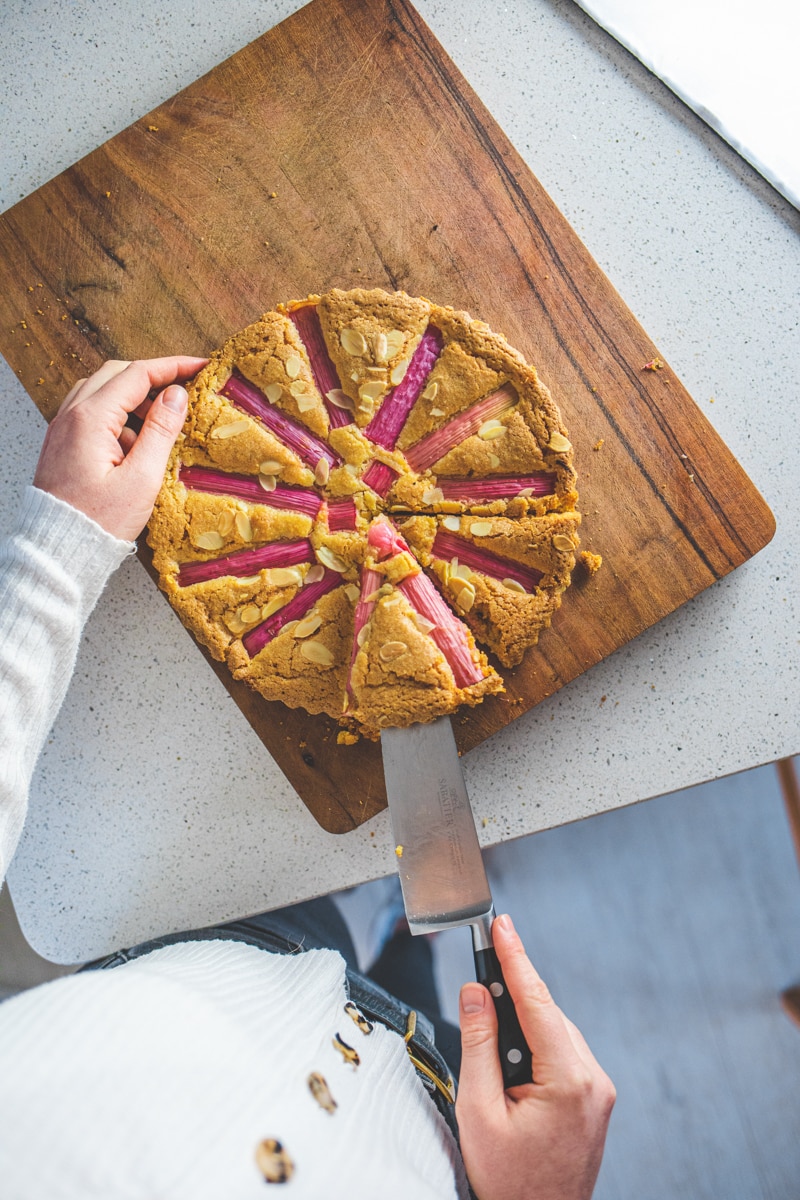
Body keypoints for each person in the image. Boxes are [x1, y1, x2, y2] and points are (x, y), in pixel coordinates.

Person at [0, 358, 615, 1198]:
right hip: (451, 1116)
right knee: (417, 962)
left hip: (248, 960)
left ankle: (391, 915)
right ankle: (397, 922)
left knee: (352, 913)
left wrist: (58, 552)